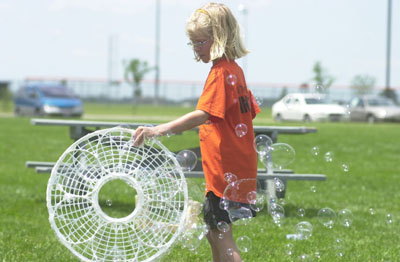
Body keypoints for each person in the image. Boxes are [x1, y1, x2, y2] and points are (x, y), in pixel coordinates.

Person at [133, 3, 260, 261]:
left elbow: (203, 113)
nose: (196, 49)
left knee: (222, 235)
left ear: (219, 39)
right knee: (214, 233)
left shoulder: (221, 72)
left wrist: (158, 130)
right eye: (192, 43)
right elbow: (249, 112)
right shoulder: (235, 71)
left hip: (225, 172)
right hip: (234, 168)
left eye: (200, 42)